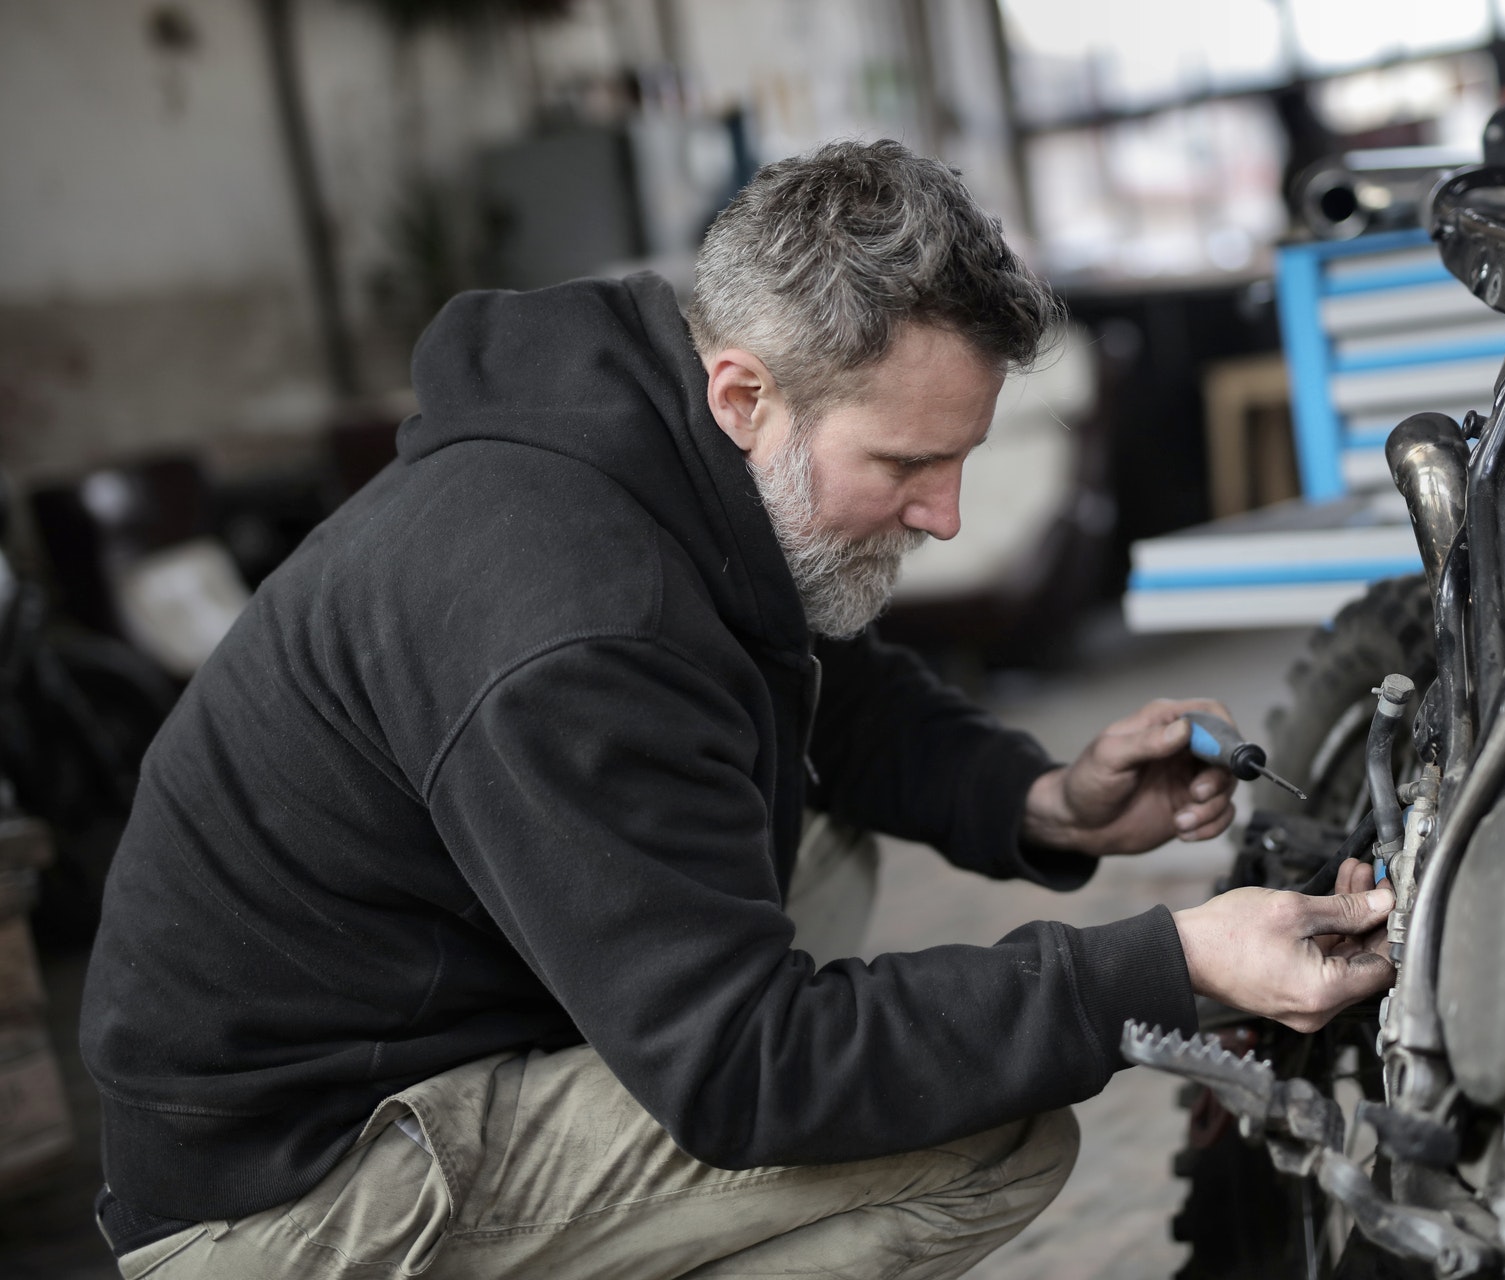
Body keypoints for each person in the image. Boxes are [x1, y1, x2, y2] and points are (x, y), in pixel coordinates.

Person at [80, 140, 1394, 1280]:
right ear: (745, 395)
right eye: (909, 464)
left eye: (960, 462)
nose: (943, 517)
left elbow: (822, 689)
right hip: (297, 1190)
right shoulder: (576, 621)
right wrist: (1170, 965)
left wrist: (1042, 801)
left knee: (826, 835)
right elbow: (747, 1068)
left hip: (414, 1031)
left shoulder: (653, 446)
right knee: (983, 1138)